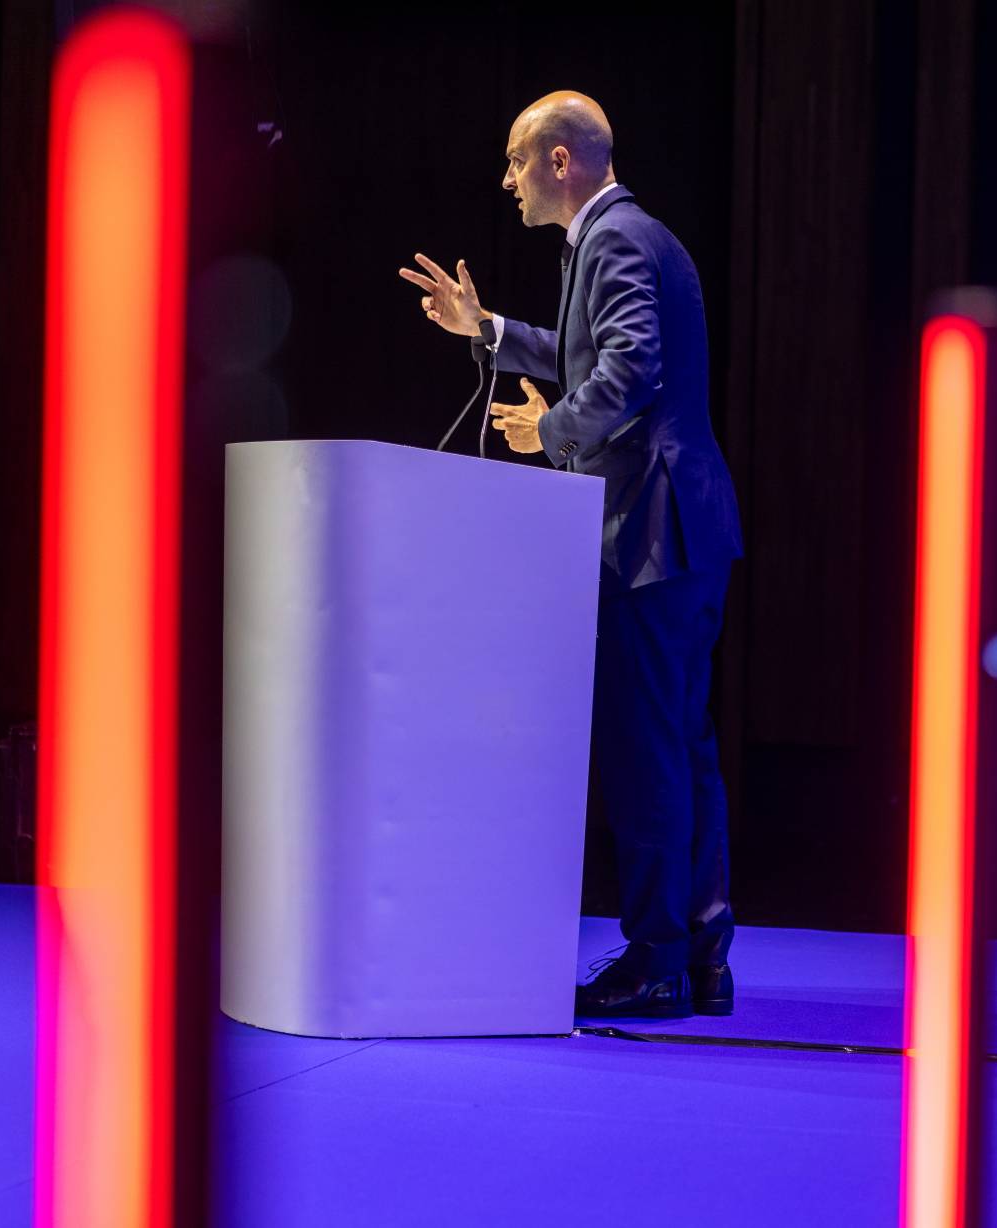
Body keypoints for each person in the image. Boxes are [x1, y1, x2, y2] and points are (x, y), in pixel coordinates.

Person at [398, 92, 743, 1019]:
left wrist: (547, 433)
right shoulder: (630, 235)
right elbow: (597, 354)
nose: (507, 180)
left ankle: (658, 961)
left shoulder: (615, 238)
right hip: (683, 530)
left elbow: (628, 372)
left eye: (517, 161)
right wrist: (490, 331)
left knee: (648, 752)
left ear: (560, 161)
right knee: (682, 745)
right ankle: (700, 958)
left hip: (651, 531)